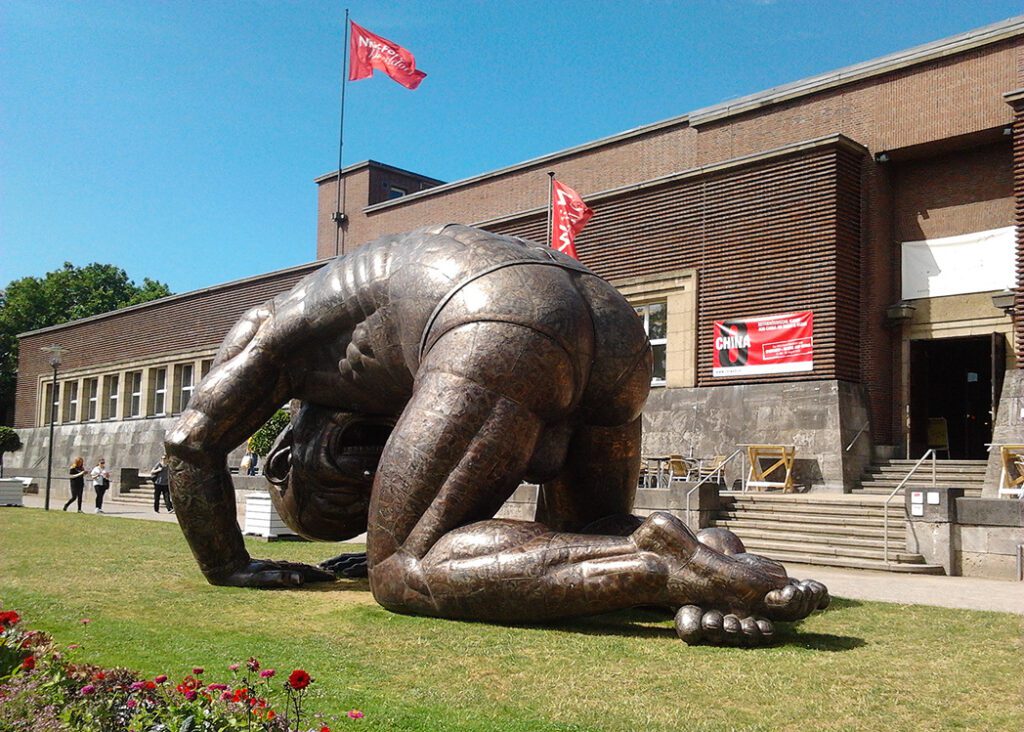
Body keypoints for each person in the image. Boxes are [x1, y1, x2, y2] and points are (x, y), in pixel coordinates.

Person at [166, 225, 828, 646]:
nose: (375, 477)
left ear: (288, 455)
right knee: (595, 524)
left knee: (404, 569)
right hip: (614, 321)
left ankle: (657, 566)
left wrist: (230, 565)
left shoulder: (268, 329)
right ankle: (709, 553)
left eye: (346, 481)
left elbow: (191, 442)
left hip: (498, 314)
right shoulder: (349, 351)